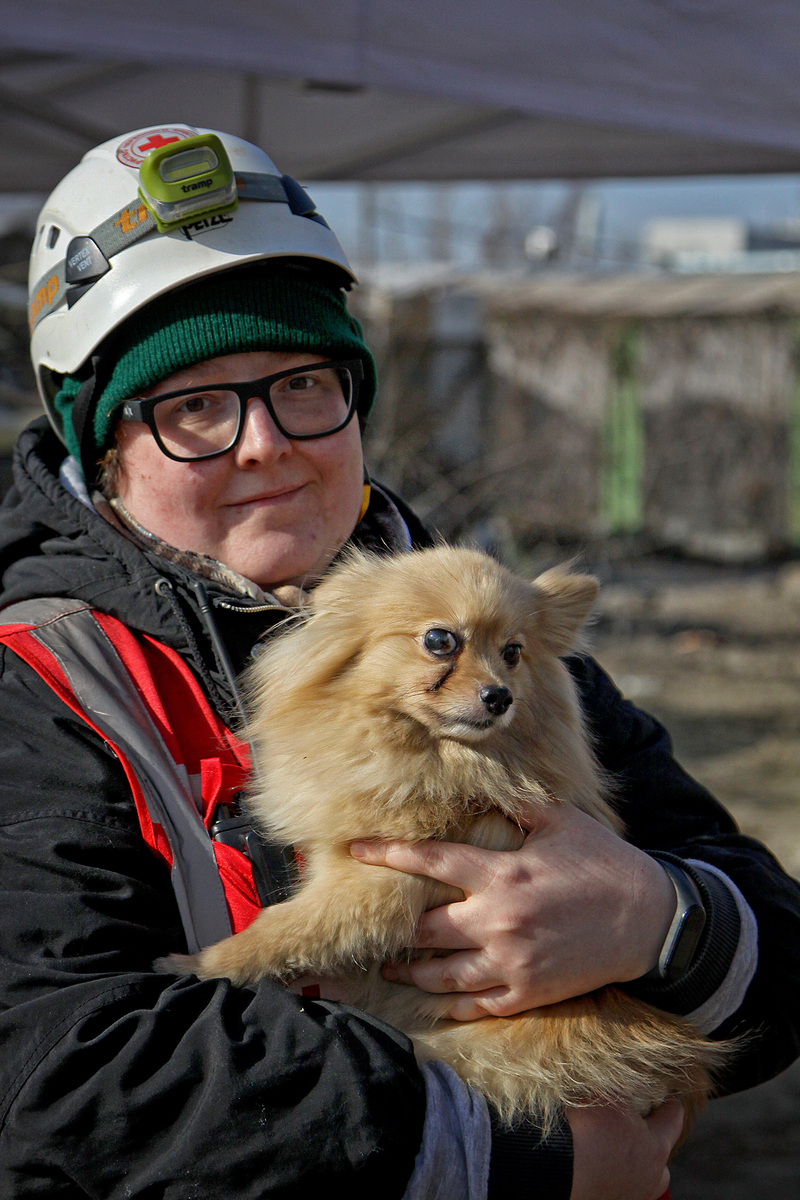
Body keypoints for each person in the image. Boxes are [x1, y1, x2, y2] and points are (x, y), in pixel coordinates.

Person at [0, 124, 797, 1200]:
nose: (264, 441)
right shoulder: (40, 680)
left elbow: (779, 975)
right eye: (193, 405)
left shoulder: (490, 641)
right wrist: (515, 1152)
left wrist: (652, 921)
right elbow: (53, 1071)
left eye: (303, 385)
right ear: (105, 447)